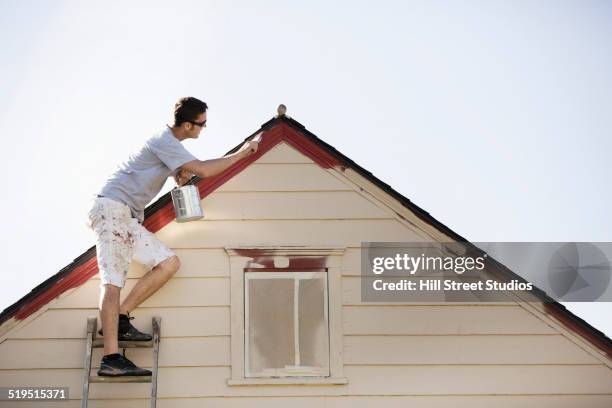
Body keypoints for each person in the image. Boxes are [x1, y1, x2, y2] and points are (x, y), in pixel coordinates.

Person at [86, 97, 259, 376]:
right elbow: (202, 168)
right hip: (111, 209)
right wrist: (242, 153)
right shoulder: (164, 140)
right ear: (188, 124)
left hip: (128, 217)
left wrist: (178, 173)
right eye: (202, 124)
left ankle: (119, 318)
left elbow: (174, 169)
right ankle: (111, 358)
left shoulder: (170, 147)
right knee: (112, 282)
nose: (204, 129)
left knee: (169, 262)